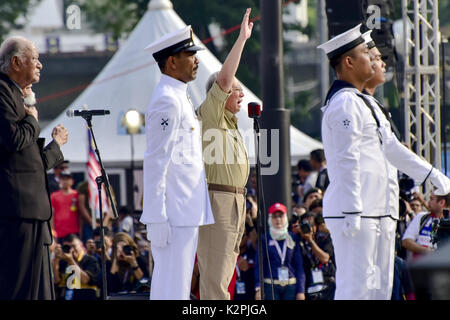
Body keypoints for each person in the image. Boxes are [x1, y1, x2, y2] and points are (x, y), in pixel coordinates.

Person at [317, 24, 450, 300]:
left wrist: (433, 175)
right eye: (367, 53)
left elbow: (392, 149)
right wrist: (353, 209)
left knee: (379, 290)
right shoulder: (344, 103)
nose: (375, 59)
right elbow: (346, 160)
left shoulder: (364, 102)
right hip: (357, 212)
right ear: (349, 62)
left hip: (378, 210)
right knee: (356, 290)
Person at [140, 25, 214, 300]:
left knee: (177, 289)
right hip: (173, 214)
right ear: (172, 62)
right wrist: (156, 215)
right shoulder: (167, 101)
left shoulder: (178, 95)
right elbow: (156, 160)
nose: (196, 60)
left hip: (184, 211)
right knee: (171, 289)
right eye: (189, 54)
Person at [0, 36, 68, 300]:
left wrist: (55, 147)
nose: (40, 65)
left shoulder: (19, 96)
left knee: (38, 289)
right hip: (16, 211)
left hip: (33, 211)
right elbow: (14, 139)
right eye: (35, 58)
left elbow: (31, 164)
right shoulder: (3, 92)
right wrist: (33, 121)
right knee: (18, 288)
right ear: (16, 62)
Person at [196, 8, 253, 300]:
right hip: (218, 200)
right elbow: (223, 79)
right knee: (216, 278)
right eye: (236, 90)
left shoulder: (230, 124)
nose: (242, 95)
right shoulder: (212, 115)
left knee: (225, 273)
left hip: (234, 200)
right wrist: (241, 39)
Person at [254, 203, 306, 300]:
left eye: (281, 216)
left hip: (290, 286)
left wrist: (301, 290)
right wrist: (258, 288)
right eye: (274, 217)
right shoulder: (264, 239)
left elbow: (299, 266)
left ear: (285, 218)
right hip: (270, 286)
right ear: (270, 219)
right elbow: (259, 265)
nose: (278, 219)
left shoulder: (293, 238)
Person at [297, 212, 336, 300]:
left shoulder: (325, 239)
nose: (308, 228)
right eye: (305, 225)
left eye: (311, 225)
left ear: (316, 226)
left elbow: (325, 258)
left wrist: (310, 241)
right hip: (309, 283)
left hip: (327, 282)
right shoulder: (299, 241)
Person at [402, 192, 450, 261]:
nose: (428, 202)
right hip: (419, 268)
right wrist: (426, 251)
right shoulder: (421, 217)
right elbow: (406, 241)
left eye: (431, 199)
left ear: (441, 202)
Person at [53, 234, 100, 300]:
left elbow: (85, 280)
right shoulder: (63, 262)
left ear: (81, 245)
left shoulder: (90, 260)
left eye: (74, 246)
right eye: (68, 247)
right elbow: (57, 280)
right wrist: (56, 258)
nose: (71, 250)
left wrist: (71, 260)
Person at [50, 170, 79, 241]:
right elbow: (51, 216)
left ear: (72, 181)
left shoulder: (76, 195)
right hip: (59, 232)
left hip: (74, 231)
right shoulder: (54, 196)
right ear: (59, 181)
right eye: (63, 179)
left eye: (67, 179)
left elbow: (80, 215)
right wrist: (53, 232)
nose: (65, 181)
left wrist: (80, 231)